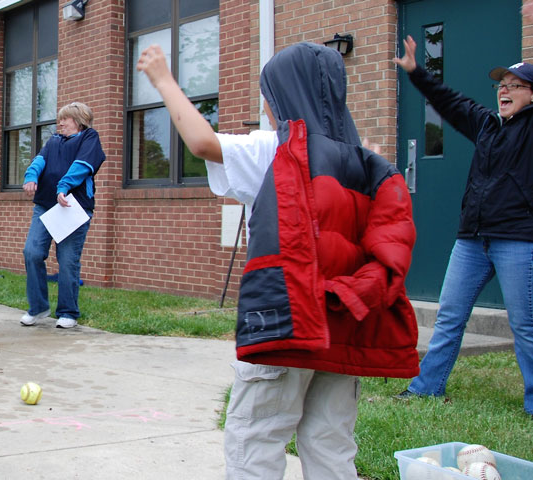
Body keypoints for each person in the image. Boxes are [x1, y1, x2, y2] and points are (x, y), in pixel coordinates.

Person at [137, 42, 419, 479]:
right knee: (331, 441)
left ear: (281, 100)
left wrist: (163, 80)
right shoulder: (363, 161)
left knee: (256, 436)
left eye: (268, 97)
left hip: (286, 324)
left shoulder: (275, 149)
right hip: (342, 327)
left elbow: (201, 141)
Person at [393, 35, 533, 417]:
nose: (504, 91)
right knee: (450, 315)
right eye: (501, 85)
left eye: (515, 86)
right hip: (472, 239)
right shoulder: (487, 125)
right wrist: (417, 73)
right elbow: (449, 102)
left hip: (518, 239)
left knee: (525, 326)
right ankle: (426, 388)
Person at [19, 102, 106, 329]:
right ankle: (38, 308)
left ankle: (68, 312)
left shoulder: (89, 138)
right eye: (59, 119)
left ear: (78, 120)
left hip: (72, 207)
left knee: (67, 261)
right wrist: (31, 176)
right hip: (45, 205)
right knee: (32, 252)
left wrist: (63, 186)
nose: (60, 123)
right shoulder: (54, 140)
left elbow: (83, 165)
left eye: (64, 119)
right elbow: (40, 160)